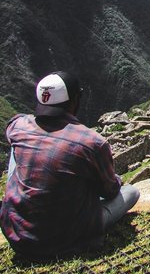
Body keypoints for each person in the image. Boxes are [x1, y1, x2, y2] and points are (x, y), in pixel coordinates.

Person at [0, 71, 140, 258]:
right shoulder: (92, 142)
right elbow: (110, 191)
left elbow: (14, 126)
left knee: (16, 151)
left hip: (18, 234)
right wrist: (116, 179)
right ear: (75, 100)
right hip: (69, 235)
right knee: (131, 192)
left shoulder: (17, 125)